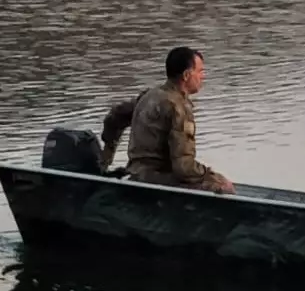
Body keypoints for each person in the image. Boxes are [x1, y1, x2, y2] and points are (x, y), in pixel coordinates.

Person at [99, 46, 235, 195]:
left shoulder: (149, 95)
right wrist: (211, 176)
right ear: (186, 75)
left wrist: (106, 159)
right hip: (156, 180)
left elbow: (114, 118)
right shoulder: (178, 108)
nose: (203, 76)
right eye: (200, 71)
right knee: (225, 188)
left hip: (135, 173)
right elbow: (184, 167)